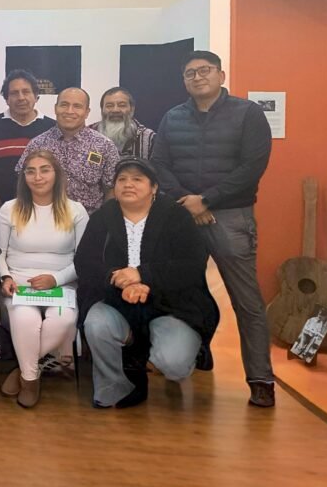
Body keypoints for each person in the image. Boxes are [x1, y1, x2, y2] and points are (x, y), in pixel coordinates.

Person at [151, 50, 275, 407]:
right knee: (179, 290)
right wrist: (187, 201)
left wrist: (207, 200)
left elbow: (253, 166)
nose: (198, 77)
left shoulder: (247, 114)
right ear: (184, 81)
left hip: (231, 216)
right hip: (181, 215)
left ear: (221, 75)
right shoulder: (173, 117)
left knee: (246, 301)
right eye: (190, 73)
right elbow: (159, 164)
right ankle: (195, 347)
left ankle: (261, 379)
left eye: (204, 70)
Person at [75, 158, 219, 408]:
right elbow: (85, 262)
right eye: (122, 179)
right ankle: (116, 385)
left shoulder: (176, 216)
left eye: (137, 179)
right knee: (96, 324)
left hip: (169, 304)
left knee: (174, 364)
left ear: (154, 187)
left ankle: (158, 351)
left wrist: (144, 275)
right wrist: (119, 280)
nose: (128, 184)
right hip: (115, 300)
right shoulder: (102, 217)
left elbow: (192, 264)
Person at [0, 150, 88, 407]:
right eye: (31, 171)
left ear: (57, 174)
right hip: (19, 285)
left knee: (64, 321)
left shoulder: (76, 211)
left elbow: (83, 260)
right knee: (26, 320)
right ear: (23, 177)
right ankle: (30, 381)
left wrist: (56, 279)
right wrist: (5, 277)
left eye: (45, 170)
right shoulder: (9, 209)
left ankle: (23, 370)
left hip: (62, 284)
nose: (38, 177)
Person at [17, 87, 120, 213]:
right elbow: (22, 182)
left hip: (91, 220)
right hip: (45, 219)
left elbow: (112, 189)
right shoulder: (37, 145)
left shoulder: (104, 146)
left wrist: (105, 219)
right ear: (55, 108)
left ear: (87, 112)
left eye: (77, 106)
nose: (69, 111)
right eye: (64, 105)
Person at [0, 69, 56, 213]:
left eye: (26, 92)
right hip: (1, 209)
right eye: (14, 93)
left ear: (36, 96)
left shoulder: (52, 128)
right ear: (6, 99)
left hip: (45, 209)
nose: (21, 98)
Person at [90, 87, 156, 159]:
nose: (115, 110)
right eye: (109, 106)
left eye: (122, 105)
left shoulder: (149, 138)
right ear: (102, 109)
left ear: (132, 109)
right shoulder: (89, 134)